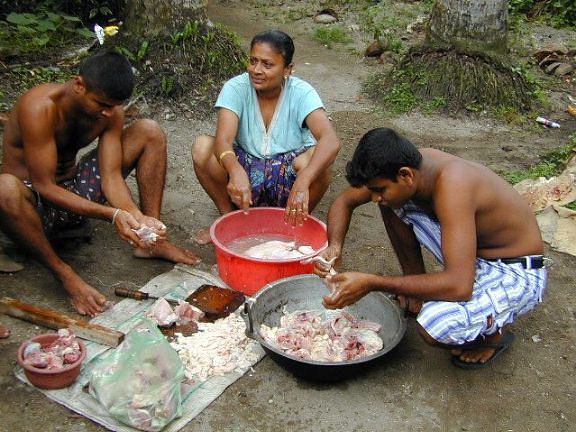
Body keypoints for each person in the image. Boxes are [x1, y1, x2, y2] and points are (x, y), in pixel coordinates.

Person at [315, 127, 547, 368]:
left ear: (406, 176)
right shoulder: (404, 166)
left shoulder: (453, 185)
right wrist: (335, 246)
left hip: (514, 270)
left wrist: (374, 282)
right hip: (472, 253)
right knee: (391, 203)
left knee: (434, 327)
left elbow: (459, 286)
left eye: (379, 189)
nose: (374, 197)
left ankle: (492, 336)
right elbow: (345, 201)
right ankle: (416, 291)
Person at [0, 51, 201, 318]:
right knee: (4, 188)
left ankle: (150, 243)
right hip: (33, 208)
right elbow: (44, 186)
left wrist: (136, 217)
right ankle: (64, 275)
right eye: (101, 104)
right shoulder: (40, 108)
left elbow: (110, 176)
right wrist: (111, 214)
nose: (107, 112)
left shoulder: (110, 112)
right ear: (78, 84)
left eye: (114, 106)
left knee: (149, 131)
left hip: (72, 193)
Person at [191, 29, 341, 237]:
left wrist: (304, 180)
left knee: (321, 162)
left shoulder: (302, 92)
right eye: (253, 61)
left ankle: (290, 226)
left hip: (288, 172)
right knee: (202, 147)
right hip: (246, 168)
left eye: (267, 64)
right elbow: (223, 141)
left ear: (287, 69)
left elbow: (331, 141)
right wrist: (234, 169)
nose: (256, 70)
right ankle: (229, 221)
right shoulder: (236, 88)